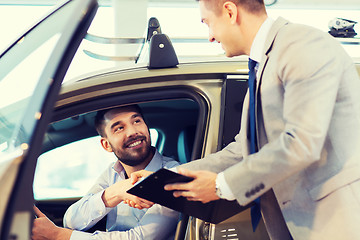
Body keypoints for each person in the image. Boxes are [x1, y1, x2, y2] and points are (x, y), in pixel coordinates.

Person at [131, 0, 360, 239]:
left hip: (334, 223)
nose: (210, 36)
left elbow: (302, 142)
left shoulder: (302, 44)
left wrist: (220, 185)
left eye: (208, 23)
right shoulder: (261, 68)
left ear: (230, 12)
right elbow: (244, 150)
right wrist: (168, 178)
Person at [32, 105, 180, 240]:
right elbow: (71, 220)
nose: (133, 132)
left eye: (137, 121)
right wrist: (115, 192)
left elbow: (142, 238)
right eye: (119, 128)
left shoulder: (171, 174)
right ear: (106, 145)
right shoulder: (113, 172)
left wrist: (58, 235)